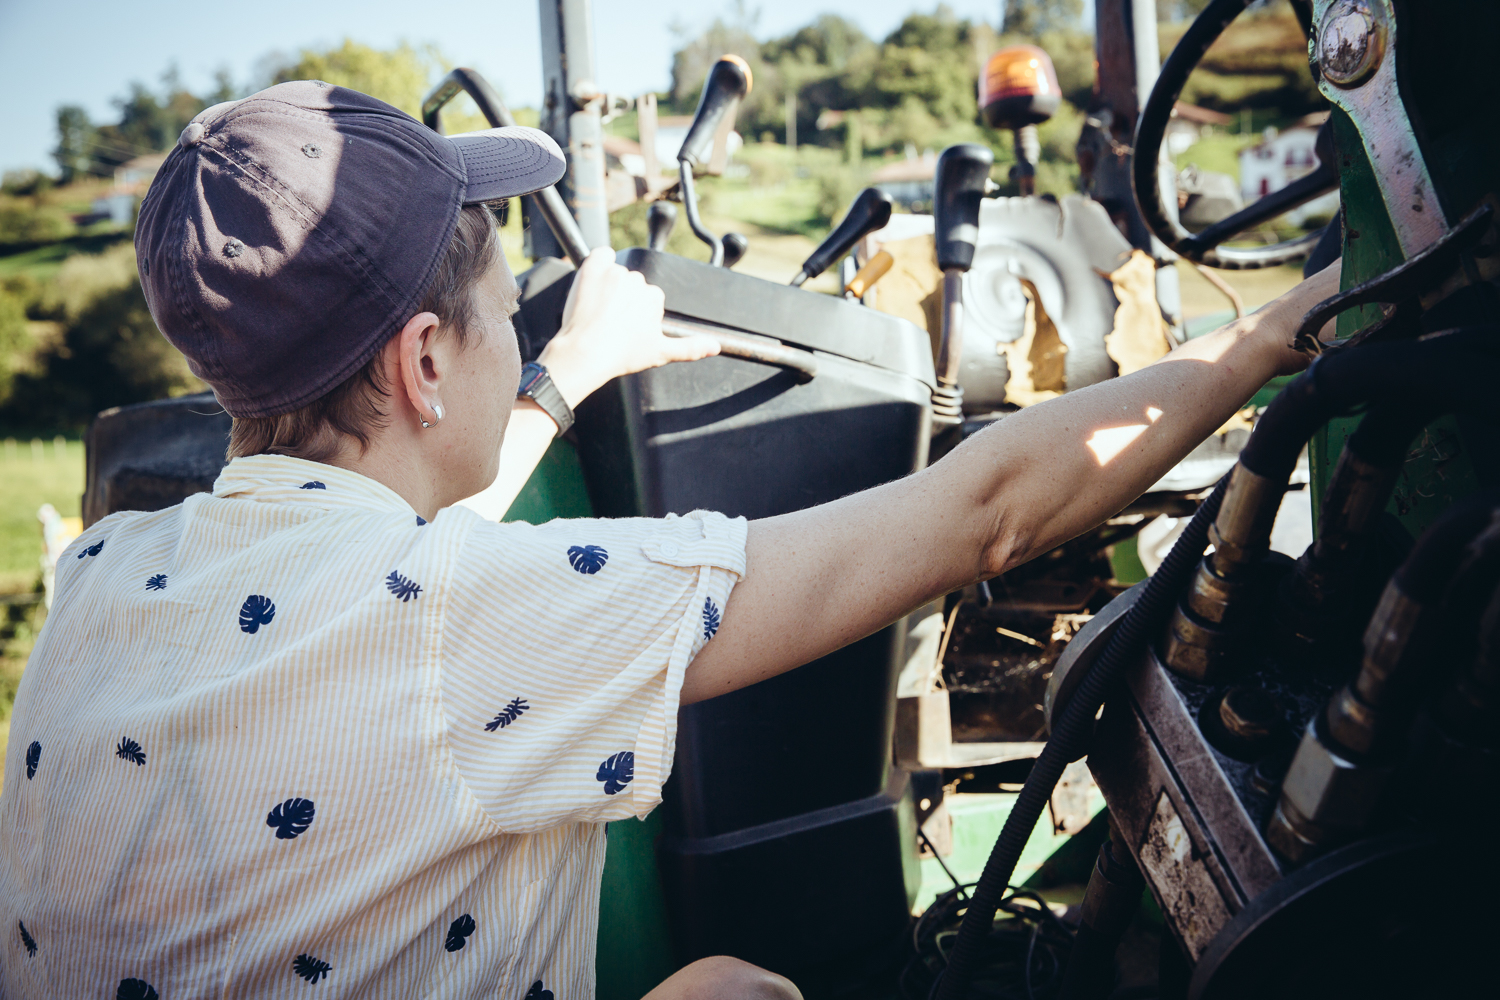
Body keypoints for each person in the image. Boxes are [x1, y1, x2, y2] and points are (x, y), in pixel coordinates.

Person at [0, 83, 1338, 999]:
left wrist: (564, 374)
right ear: (421, 363)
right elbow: (983, 510)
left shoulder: (107, 577)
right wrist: (1279, 334)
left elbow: (398, 560)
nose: (517, 329)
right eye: (501, 308)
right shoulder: (475, 623)